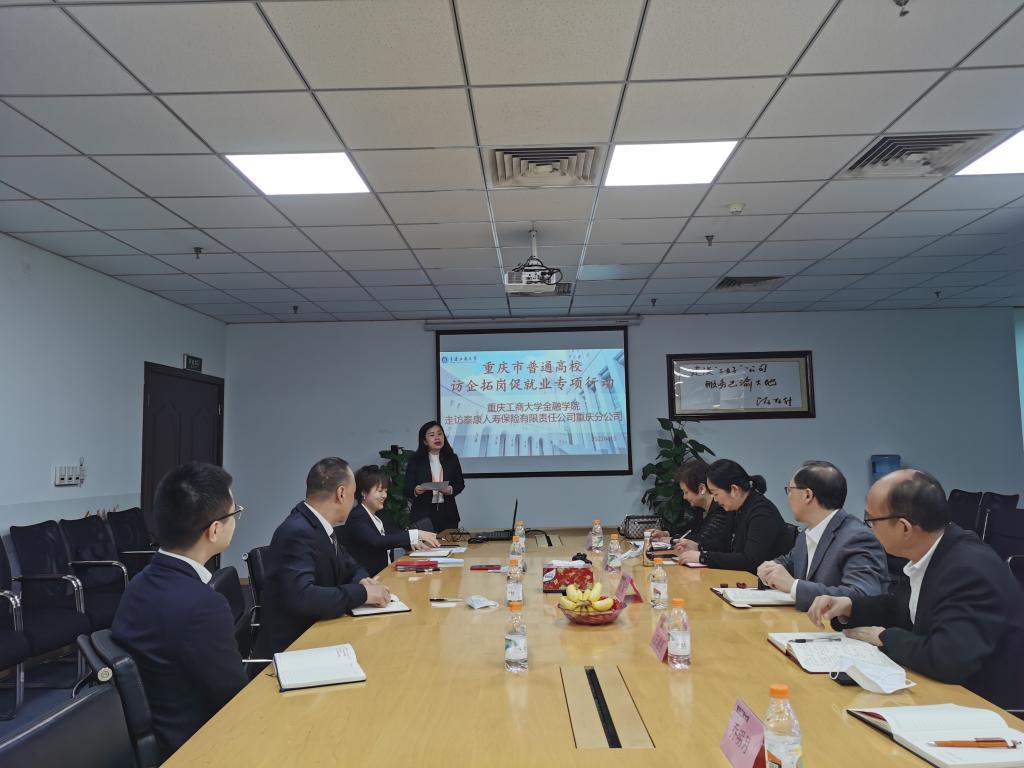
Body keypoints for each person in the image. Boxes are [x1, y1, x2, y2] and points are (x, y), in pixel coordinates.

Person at [808, 469, 1024, 710]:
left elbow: (947, 658)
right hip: (946, 694)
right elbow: (905, 609)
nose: (869, 528)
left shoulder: (968, 569)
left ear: (904, 528)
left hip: (988, 708)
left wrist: (884, 637)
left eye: (871, 521)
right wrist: (849, 605)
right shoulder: (935, 552)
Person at [111, 462, 247, 760]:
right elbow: (234, 697)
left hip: (160, 732)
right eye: (234, 514)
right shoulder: (203, 606)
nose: (236, 520)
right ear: (214, 530)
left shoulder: (140, 582)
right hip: (196, 746)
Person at [253, 457, 392, 660]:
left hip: (318, 631)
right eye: (353, 494)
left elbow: (350, 564)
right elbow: (303, 597)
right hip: (294, 649)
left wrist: (364, 580)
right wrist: (363, 593)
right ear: (341, 493)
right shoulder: (298, 531)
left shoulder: (317, 525)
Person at [757, 460, 887, 610]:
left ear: (807, 495)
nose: (788, 497)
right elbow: (789, 562)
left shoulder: (857, 537)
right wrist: (770, 568)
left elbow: (862, 596)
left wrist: (793, 586)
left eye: (790, 490)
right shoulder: (807, 534)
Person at [675, 459, 791, 573]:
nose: (715, 499)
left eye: (716, 493)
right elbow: (724, 545)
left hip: (763, 581)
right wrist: (698, 547)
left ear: (734, 490)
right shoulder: (735, 507)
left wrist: (703, 557)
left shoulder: (762, 512)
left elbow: (750, 560)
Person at [341, 464, 440, 576]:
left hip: (386, 573)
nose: (384, 495)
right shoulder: (357, 517)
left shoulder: (379, 516)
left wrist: (411, 542)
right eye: (380, 491)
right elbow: (377, 541)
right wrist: (416, 534)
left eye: (386, 491)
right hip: (370, 579)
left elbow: (394, 535)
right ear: (364, 492)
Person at [651, 459, 733, 552]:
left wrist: (671, 540)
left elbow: (704, 540)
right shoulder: (700, 508)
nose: (684, 497)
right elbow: (690, 527)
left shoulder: (721, 508)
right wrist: (667, 533)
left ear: (701, 488)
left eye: (686, 492)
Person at [404, 421, 465, 532]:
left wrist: (450, 489)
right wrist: (416, 490)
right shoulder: (416, 461)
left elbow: (460, 484)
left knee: (448, 542)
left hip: (447, 512)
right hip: (423, 513)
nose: (437, 437)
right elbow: (407, 488)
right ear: (424, 441)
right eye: (432, 435)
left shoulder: (452, 459)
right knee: (425, 543)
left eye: (439, 433)